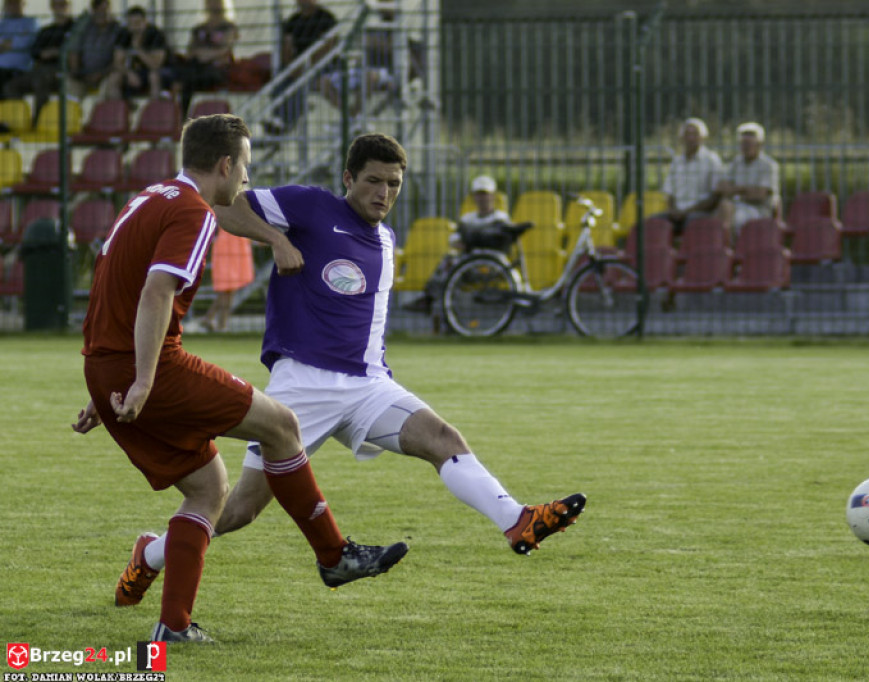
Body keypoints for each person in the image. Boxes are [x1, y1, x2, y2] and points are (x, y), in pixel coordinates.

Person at [119, 135, 585, 605]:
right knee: (241, 507)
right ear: (348, 179)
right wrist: (276, 239)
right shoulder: (309, 206)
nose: (383, 193)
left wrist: (378, 374)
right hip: (303, 384)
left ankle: (517, 520)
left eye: (393, 184)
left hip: (367, 386)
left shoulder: (385, 240)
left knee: (444, 439)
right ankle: (151, 555)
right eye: (373, 181)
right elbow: (224, 206)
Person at [72, 115, 407, 644]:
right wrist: (139, 377)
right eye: (245, 167)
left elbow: (110, 283)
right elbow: (156, 292)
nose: (246, 180)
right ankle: (333, 554)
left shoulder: (149, 196)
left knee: (209, 489)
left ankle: (173, 625)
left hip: (106, 361)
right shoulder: (194, 211)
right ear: (226, 165)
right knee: (281, 425)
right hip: (149, 366)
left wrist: (103, 380)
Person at [403, 174, 525, 315]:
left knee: (450, 266)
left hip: (493, 265)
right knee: (448, 261)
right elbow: (455, 238)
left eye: (485, 194)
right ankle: (432, 303)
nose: (482, 198)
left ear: (492, 196)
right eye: (478, 194)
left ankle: (432, 302)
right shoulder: (467, 219)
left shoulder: (501, 218)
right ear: (474, 197)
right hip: (469, 263)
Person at [264, 0, 336, 134]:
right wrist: (293, 67)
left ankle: (285, 120)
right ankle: (278, 117)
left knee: (300, 82)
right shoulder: (293, 21)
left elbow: (327, 47)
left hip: (321, 66)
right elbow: (286, 49)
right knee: (281, 77)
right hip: (298, 67)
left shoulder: (326, 18)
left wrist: (306, 67)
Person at [3, 0, 73, 126]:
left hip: (61, 69)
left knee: (40, 80)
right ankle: (17, 122)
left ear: (70, 6)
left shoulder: (74, 29)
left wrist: (57, 52)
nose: (60, 8)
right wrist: (44, 53)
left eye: (63, 4)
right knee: (10, 86)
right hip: (40, 68)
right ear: (52, 7)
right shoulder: (46, 30)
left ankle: (39, 121)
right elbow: (35, 51)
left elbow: (75, 50)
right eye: (56, 4)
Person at [714, 121, 780, 239]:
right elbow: (721, 188)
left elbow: (760, 195)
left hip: (760, 210)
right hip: (736, 206)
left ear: (760, 144)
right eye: (743, 143)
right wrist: (746, 190)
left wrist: (736, 189)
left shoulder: (768, 165)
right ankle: (724, 248)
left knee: (735, 217)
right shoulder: (736, 163)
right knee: (722, 209)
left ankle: (732, 248)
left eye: (749, 143)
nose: (746, 147)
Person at [661, 117, 724, 236]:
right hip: (677, 213)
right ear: (681, 138)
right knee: (653, 224)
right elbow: (669, 194)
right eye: (687, 134)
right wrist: (673, 211)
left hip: (702, 213)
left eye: (695, 134)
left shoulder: (712, 161)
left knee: (691, 223)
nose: (690, 138)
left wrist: (687, 212)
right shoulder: (676, 162)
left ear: (703, 137)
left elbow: (715, 196)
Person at [174, 0, 238, 118]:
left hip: (216, 69)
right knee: (186, 76)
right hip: (197, 67)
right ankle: (180, 116)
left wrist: (206, 55)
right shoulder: (199, 28)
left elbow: (225, 49)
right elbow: (190, 51)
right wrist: (201, 55)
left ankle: (184, 116)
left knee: (188, 80)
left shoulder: (228, 27)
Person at [101, 5, 169, 101]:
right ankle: (119, 111)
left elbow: (155, 65)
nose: (134, 27)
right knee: (114, 78)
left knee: (154, 76)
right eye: (131, 24)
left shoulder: (155, 35)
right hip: (132, 72)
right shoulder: (124, 35)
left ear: (145, 22)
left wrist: (138, 49)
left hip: (154, 71)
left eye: (137, 23)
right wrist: (128, 73)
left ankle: (154, 110)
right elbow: (117, 62)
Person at [197, 228, 254, 332]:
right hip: (231, 245)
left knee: (229, 289)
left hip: (235, 244)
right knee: (227, 288)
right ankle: (219, 323)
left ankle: (214, 320)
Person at [65, 0, 122, 100]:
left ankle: (100, 114)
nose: (101, 14)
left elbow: (119, 60)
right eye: (98, 10)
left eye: (104, 10)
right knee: (68, 86)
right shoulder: (84, 28)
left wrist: (101, 74)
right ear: (93, 11)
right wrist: (79, 73)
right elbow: (74, 52)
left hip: (106, 76)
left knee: (109, 85)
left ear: (110, 10)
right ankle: (72, 113)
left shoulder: (118, 30)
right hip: (83, 75)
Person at [0, 0, 37, 94]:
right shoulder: (2, 24)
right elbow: (15, 42)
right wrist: (12, 42)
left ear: (23, 4)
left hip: (19, 69)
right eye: (10, 3)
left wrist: (6, 44)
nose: (13, 6)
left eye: (16, 2)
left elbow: (24, 42)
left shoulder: (30, 22)